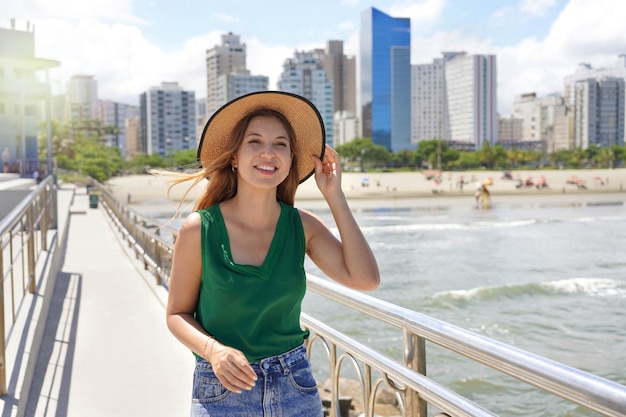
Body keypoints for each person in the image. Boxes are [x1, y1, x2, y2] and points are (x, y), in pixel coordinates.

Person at [164, 91, 380, 416]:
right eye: (255, 141)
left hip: (295, 385)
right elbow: (176, 314)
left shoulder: (302, 226)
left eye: (281, 144)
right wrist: (214, 351)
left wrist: (334, 195)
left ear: (291, 159)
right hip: (224, 389)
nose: (269, 153)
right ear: (234, 157)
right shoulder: (200, 229)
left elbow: (365, 279)